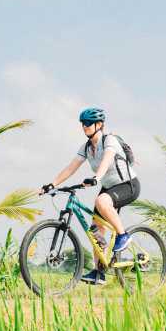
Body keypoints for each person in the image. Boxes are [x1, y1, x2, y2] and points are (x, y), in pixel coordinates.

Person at [39, 107, 140, 284]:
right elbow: (71, 167)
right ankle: (99, 272)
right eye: (82, 124)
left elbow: (108, 159)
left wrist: (96, 178)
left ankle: (123, 235)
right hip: (109, 188)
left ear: (99, 124)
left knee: (101, 200)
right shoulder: (86, 148)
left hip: (128, 185)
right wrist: (52, 184)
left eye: (88, 123)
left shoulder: (110, 141)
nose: (84, 127)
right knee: (95, 230)